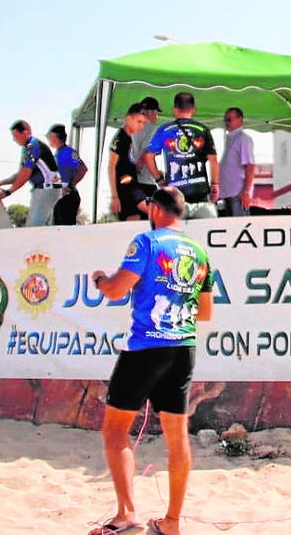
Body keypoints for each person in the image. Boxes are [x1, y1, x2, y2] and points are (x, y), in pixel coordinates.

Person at [90, 187, 214, 535]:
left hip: (146, 346)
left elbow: (116, 290)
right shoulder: (199, 252)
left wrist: (100, 279)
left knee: (115, 430)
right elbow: (204, 312)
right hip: (183, 348)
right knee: (178, 438)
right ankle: (172, 521)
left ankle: (127, 514)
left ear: (157, 210)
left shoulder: (147, 243)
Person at [143, 92, 219, 219]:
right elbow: (213, 160)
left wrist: (159, 180)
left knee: (177, 234)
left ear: (175, 110)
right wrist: (215, 185)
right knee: (204, 233)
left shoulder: (165, 130)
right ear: (193, 109)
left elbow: (148, 157)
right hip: (200, 191)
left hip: (175, 194)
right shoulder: (202, 129)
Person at [0, 119, 62, 227]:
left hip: (46, 190)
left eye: (16, 136)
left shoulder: (33, 146)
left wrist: (8, 192)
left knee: (33, 229)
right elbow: (21, 173)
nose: (14, 139)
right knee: (44, 229)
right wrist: (2, 182)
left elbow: (25, 175)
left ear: (26, 132)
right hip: (47, 189)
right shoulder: (28, 148)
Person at [108, 103, 154, 221]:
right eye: (139, 122)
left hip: (133, 186)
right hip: (127, 188)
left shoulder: (129, 138)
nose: (141, 126)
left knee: (134, 220)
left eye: (143, 123)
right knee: (154, 211)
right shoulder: (120, 138)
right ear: (129, 119)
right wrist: (114, 196)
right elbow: (111, 166)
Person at [46, 123, 88, 226]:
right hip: (59, 196)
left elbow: (83, 168)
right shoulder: (58, 154)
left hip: (68, 197)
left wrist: (71, 185)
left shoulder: (67, 152)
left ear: (54, 137)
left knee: (65, 228)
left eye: (49, 137)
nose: (48, 140)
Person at [218, 107, 256, 217]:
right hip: (226, 195)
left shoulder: (243, 139)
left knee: (238, 229)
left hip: (237, 195)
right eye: (225, 120)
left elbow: (250, 166)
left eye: (229, 119)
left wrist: (246, 192)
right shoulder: (230, 139)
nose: (226, 123)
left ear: (240, 120)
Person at [131, 96, 163, 191]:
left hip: (131, 181)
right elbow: (145, 154)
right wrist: (159, 178)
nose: (156, 117)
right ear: (151, 112)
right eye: (156, 113)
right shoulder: (152, 129)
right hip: (145, 182)